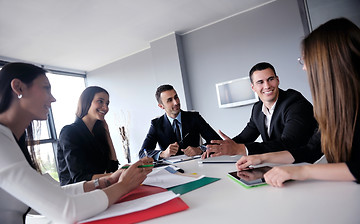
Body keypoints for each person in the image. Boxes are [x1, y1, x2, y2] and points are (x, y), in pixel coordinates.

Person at [0, 62, 153, 224]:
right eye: (46, 88)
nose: (53, 98)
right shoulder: (5, 142)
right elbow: (67, 210)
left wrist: (107, 181)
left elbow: (54, 194)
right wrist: (123, 186)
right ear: (18, 87)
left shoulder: (12, 141)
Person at [236, 18, 360, 187]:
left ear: (329, 63)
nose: (304, 68)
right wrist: (261, 158)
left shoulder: (294, 102)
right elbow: (310, 150)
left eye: (306, 60)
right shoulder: (336, 107)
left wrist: (303, 171)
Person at [203, 62, 317, 158]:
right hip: (278, 165)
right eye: (260, 82)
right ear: (253, 87)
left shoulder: (294, 102)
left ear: (277, 80)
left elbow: (289, 143)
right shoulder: (257, 109)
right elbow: (244, 138)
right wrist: (218, 148)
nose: (267, 86)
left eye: (270, 79)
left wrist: (241, 149)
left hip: (306, 163)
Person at [139, 84, 221, 160]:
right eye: (170, 100)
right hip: (171, 171)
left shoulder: (194, 117)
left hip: (197, 165)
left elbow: (218, 142)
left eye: (176, 97)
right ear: (161, 106)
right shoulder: (156, 124)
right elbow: (142, 153)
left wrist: (200, 149)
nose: (176, 102)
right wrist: (163, 153)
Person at [57, 86, 119, 186]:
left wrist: (107, 132)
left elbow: (113, 166)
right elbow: (79, 178)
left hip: (96, 189)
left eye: (107, 103)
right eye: (100, 101)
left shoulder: (98, 133)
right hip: (75, 193)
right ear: (86, 102)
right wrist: (115, 175)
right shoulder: (69, 132)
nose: (106, 108)